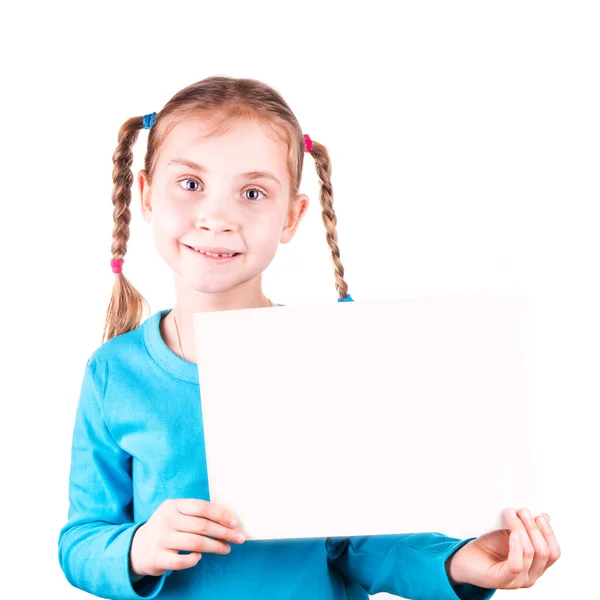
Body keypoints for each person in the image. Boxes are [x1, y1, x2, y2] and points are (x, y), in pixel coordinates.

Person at [57, 76, 560, 600]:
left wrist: (457, 563)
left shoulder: (326, 359)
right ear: (145, 194)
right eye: (190, 184)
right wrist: (137, 549)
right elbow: (81, 540)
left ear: (292, 217)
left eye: (252, 193)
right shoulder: (113, 372)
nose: (217, 218)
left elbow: (358, 540)